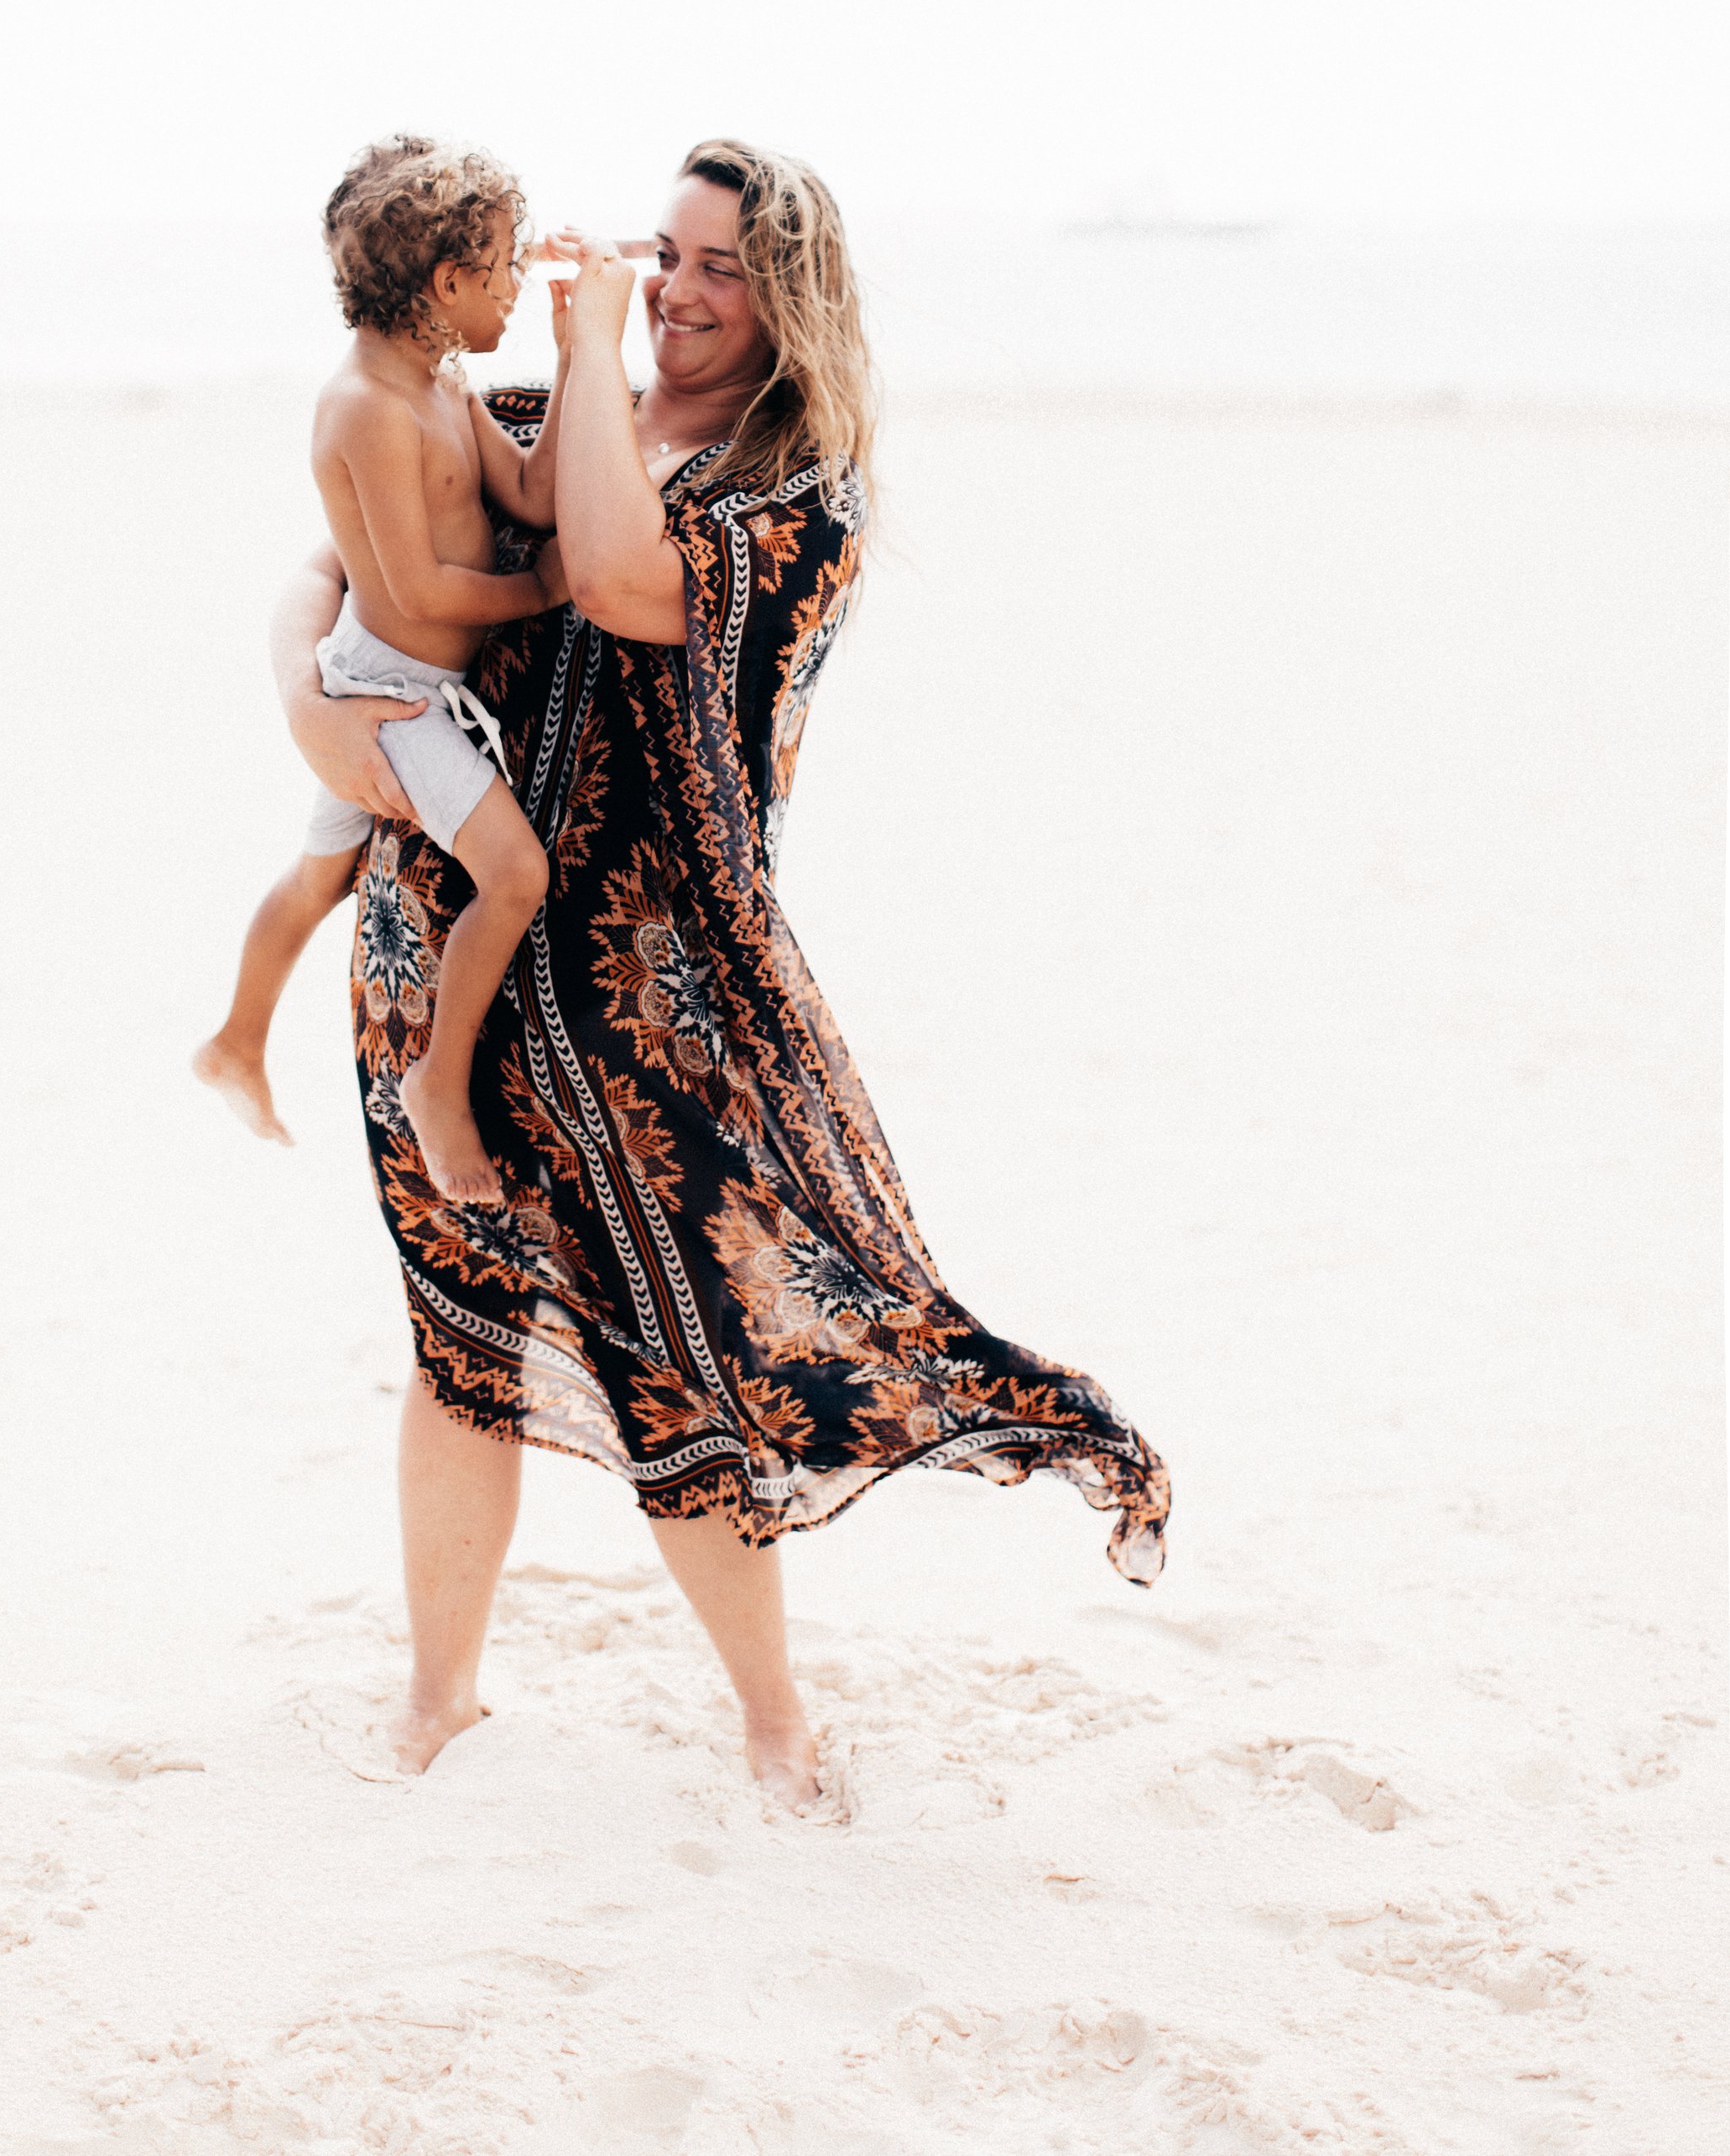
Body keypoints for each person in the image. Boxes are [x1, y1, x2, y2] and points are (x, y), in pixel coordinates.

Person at [275, 138, 1170, 1805]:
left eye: (713, 268)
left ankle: (771, 1720)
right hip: (446, 955)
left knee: (670, 1350)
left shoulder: (795, 501)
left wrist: (597, 357)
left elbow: (616, 580)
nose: (673, 288)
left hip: (651, 995)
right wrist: (321, 717)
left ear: (787, 302)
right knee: (457, 1331)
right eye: (659, 253)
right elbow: (326, 590)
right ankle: (439, 1695)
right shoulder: (536, 416)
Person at [194, 135, 565, 1200]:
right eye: (504, 268)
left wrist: (582, 354)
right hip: (387, 694)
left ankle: (234, 1041)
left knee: (322, 874)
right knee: (516, 875)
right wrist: (541, 590)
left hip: (403, 683)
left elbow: (533, 497)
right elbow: (416, 593)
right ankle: (437, 1086)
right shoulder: (365, 405)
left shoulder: (441, 383)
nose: (516, 286)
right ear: (447, 284)